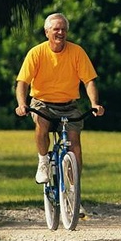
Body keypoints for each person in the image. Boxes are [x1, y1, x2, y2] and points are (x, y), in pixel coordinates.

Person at [15, 13, 105, 190]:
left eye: (63, 29)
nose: (60, 32)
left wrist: (94, 103)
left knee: (74, 144)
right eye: (56, 29)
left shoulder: (77, 52)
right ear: (47, 32)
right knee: (42, 123)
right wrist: (21, 104)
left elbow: (89, 81)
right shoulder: (36, 53)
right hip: (42, 103)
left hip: (69, 105)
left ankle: (74, 190)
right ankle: (43, 161)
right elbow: (22, 83)